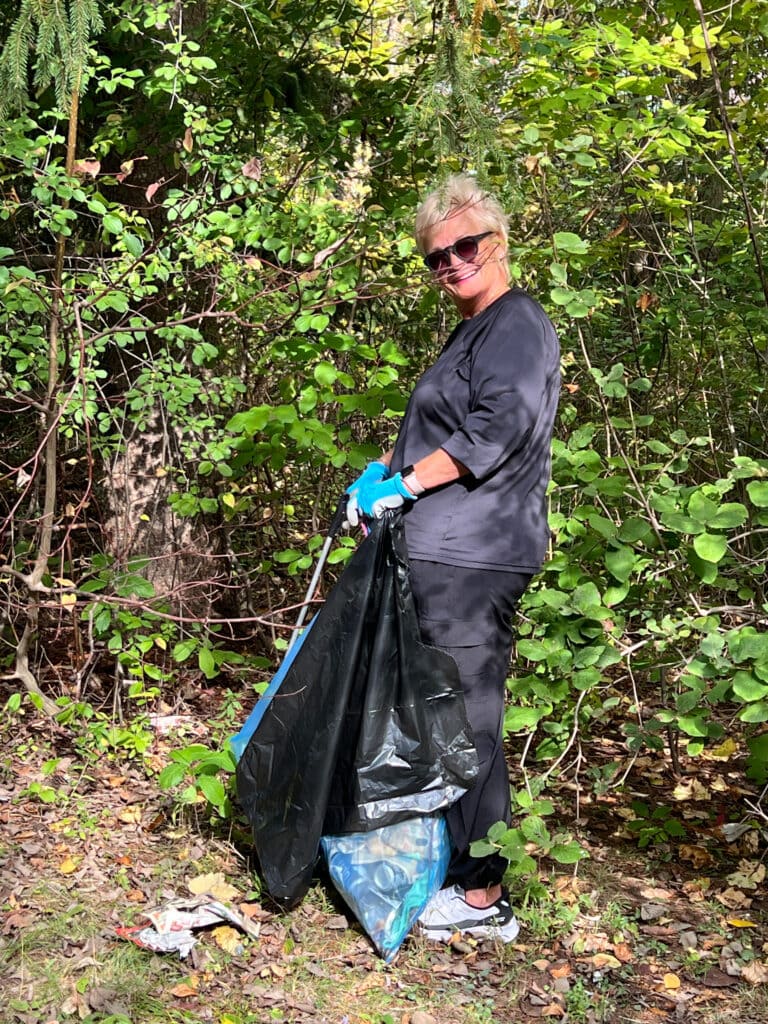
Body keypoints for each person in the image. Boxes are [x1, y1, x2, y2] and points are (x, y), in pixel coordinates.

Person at [344, 175, 560, 942]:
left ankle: (480, 898)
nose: (453, 262)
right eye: (437, 256)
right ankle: (439, 866)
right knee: (439, 711)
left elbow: (492, 433)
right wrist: (382, 472)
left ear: (497, 241)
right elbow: (444, 426)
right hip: (442, 551)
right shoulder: (471, 330)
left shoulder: (517, 323)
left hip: (477, 555)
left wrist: (404, 486)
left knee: (469, 715)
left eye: (465, 245)